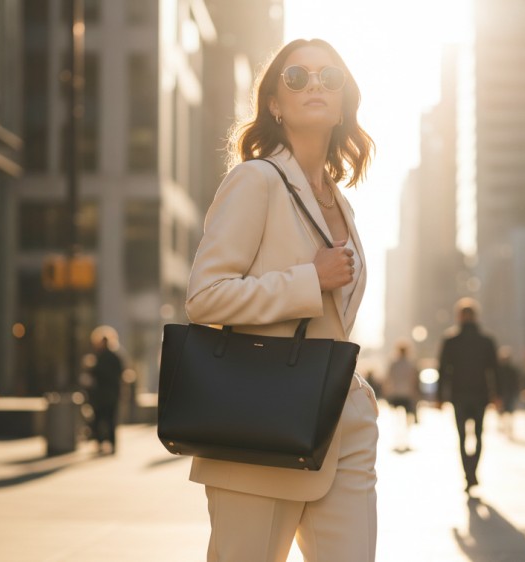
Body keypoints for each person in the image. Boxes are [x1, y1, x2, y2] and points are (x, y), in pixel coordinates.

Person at [183, 38, 377, 562]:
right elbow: (204, 297)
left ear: (342, 102)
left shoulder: (342, 203)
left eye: (329, 78)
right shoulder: (255, 181)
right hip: (262, 427)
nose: (315, 85)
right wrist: (306, 281)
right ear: (274, 103)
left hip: (342, 423)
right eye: (297, 77)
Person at [437, 298, 500, 494]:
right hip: (480, 395)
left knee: (463, 437)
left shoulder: (451, 341)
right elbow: (495, 371)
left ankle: (469, 473)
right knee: (479, 435)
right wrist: (497, 395)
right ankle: (472, 471)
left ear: (459, 317)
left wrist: (440, 396)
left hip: (459, 395)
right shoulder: (487, 341)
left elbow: (443, 371)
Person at [88, 326, 124, 455]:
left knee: (101, 419)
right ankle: (109, 444)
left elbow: (97, 373)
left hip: (103, 394)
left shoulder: (102, 356)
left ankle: (101, 443)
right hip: (111, 393)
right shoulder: (115, 356)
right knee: (109, 420)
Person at [384, 340, 421, 451]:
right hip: (407, 394)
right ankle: (405, 439)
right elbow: (414, 380)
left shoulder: (394, 364)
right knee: (407, 418)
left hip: (396, 394)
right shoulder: (411, 364)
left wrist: (388, 393)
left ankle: (398, 439)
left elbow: (388, 379)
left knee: (396, 418)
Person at [495, 346, 521, 436]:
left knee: (507, 410)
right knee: (503, 410)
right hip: (504, 393)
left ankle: (507, 425)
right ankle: (505, 425)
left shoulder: (505, 370)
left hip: (507, 393)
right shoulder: (499, 370)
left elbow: (516, 382)